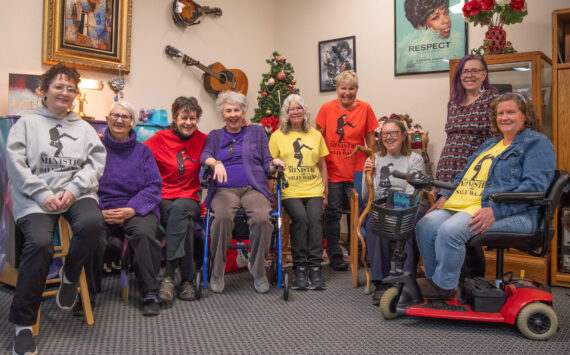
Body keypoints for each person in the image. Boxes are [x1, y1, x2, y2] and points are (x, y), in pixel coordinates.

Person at [6, 63, 106, 355]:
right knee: (38, 244)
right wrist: (42, 193)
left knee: (92, 224)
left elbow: (95, 163)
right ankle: (23, 326)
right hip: (35, 196)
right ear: (44, 91)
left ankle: (70, 276)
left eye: (71, 88)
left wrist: (72, 190)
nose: (65, 93)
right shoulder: (25, 124)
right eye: (59, 87)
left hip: (74, 192)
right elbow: (16, 165)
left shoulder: (84, 128)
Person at [415, 93, 556, 299]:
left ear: (525, 116)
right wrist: (445, 195)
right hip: (466, 204)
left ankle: (444, 287)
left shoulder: (536, 143)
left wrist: (497, 210)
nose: (504, 117)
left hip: (513, 212)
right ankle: (437, 279)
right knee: (425, 225)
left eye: (511, 112)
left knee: (450, 231)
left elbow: (535, 188)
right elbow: (464, 175)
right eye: (500, 113)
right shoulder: (489, 145)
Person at [200, 91, 286, 294]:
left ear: (243, 112)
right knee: (221, 217)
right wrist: (215, 163)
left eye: (236, 110)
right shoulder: (215, 136)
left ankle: (258, 270)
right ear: (222, 113)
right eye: (228, 110)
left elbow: (266, 161)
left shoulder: (256, 132)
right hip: (223, 189)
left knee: (262, 218)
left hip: (253, 188)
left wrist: (274, 164)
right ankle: (217, 271)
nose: (232, 114)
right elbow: (205, 155)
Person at [435, 54, 499, 279]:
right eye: (465, 71)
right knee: (443, 223)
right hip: (447, 170)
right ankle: (450, 278)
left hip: (474, 174)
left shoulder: (493, 100)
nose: (469, 75)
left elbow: (497, 142)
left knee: (468, 231)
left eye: (475, 70)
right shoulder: (452, 102)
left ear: (484, 74)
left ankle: (472, 280)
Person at [97, 101, 163, 316]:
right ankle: (86, 290)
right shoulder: (96, 149)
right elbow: (86, 184)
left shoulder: (143, 152)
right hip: (104, 208)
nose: (119, 120)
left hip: (136, 207)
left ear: (132, 123)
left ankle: (150, 292)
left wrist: (132, 209)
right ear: (107, 119)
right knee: (89, 230)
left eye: (125, 117)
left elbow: (154, 186)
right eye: (115, 115)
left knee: (144, 233)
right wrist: (99, 210)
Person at [145, 96, 207, 303]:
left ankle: (169, 277)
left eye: (193, 118)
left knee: (181, 208)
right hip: (162, 198)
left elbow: (225, 143)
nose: (188, 122)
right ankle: (187, 280)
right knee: (186, 225)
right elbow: (139, 154)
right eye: (184, 117)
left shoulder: (204, 139)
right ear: (174, 118)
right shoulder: (160, 138)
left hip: (189, 198)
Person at [316, 70, 378, 271]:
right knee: (333, 214)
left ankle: (359, 253)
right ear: (337, 89)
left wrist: (372, 160)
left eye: (351, 88)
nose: (347, 92)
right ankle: (335, 255)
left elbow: (370, 139)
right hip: (333, 172)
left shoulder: (365, 108)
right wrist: (319, 167)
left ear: (356, 90)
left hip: (357, 171)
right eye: (343, 88)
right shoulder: (326, 108)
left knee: (359, 213)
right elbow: (318, 138)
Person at [269, 94, 329, 291]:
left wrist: (325, 190)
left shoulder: (315, 135)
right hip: (289, 189)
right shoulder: (278, 136)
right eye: (291, 109)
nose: (295, 112)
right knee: (301, 219)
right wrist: (271, 192)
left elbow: (322, 165)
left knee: (315, 219)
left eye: (299, 108)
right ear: (286, 113)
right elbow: (270, 165)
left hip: (314, 188)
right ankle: (300, 268)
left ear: (305, 111)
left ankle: (315, 267)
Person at [362, 119, 425, 305]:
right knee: (375, 222)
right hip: (380, 206)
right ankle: (380, 281)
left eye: (394, 133)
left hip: (406, 205)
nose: (389, 137)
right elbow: (367, 195)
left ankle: (406, 277)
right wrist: (368, 176)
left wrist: (393, 206)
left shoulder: (414, 159)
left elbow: (413, 191)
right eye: (385, 134)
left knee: (411, 221)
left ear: (404, 135)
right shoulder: (375, 158)